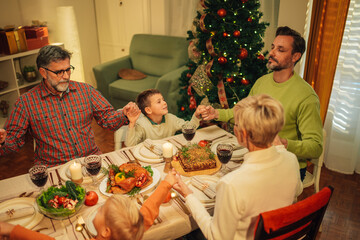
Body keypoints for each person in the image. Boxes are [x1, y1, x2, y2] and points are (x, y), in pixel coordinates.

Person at [198, 26, 323, 180]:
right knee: (213, 177)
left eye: (280, 49)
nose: (272, 53)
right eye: (272, 47)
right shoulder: (262, 82)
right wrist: (216, 113)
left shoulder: (306, 96)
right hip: (257, 158)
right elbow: (242, 113)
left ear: (295, 56)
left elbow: (315, 147)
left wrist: (283, 143)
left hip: (285, 167)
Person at [173, 94, 303, 240]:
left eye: (235, 124)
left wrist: (188, 195)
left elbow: (216, 236)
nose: (234, 128)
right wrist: (280, 149)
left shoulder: (231, 184)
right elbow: (297, 190)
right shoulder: (291, 159)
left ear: (243, 134)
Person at [0, 45, 140, 167]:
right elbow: (13, 142)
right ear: (43, 72)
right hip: (53, 167)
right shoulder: (26, 103)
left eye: (68, 69)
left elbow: (108, 119)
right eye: (59, 72)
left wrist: (124, 114)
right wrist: (3, 141)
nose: (66, 76)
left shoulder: (86, 91)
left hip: (90, 161)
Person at [0, 169, 178, 240]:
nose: (98, 208)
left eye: (101, 210)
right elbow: (148, 210)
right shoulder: (132, 228)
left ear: (105, 231)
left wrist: (10, 230)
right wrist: (166, 183)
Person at [125, 89, 202, 146]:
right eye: (159, 102)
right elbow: (130, 145)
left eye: (163, 100)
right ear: (148, 110)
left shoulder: (171, 119)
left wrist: (196, 115)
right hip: (149, 157)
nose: (164, 103)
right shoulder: (142, 124)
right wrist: (132, 123)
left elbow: (189, 128)